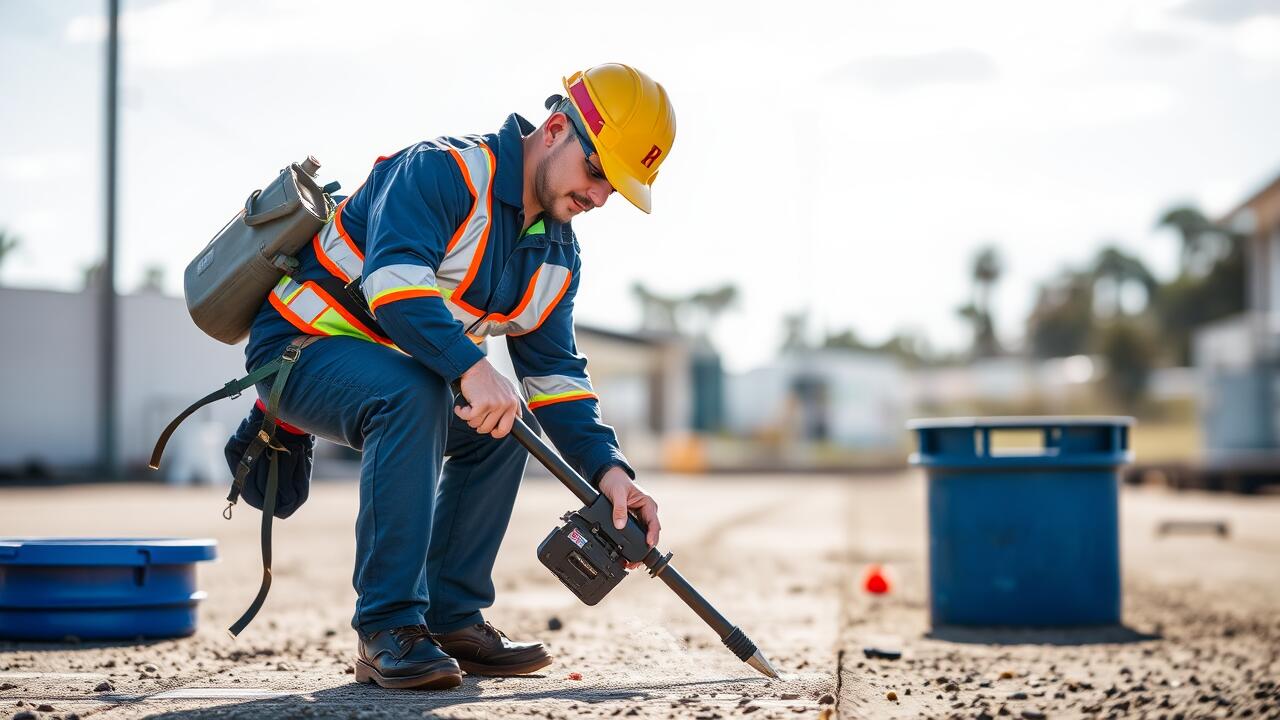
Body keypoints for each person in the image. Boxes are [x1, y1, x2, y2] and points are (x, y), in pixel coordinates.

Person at [237, 63, 677, 691]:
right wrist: (473, 369)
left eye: (618, 189)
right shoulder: (443, 171)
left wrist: (609, 472)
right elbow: (393, 286)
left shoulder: (556, 253)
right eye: (599, 172)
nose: (601, 198)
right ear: (555, 129)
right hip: (298, 349)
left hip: (394, 371)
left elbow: (555, 376)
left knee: (504, 423)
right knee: (417, 391)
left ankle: (451, 619)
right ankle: (388, 628)